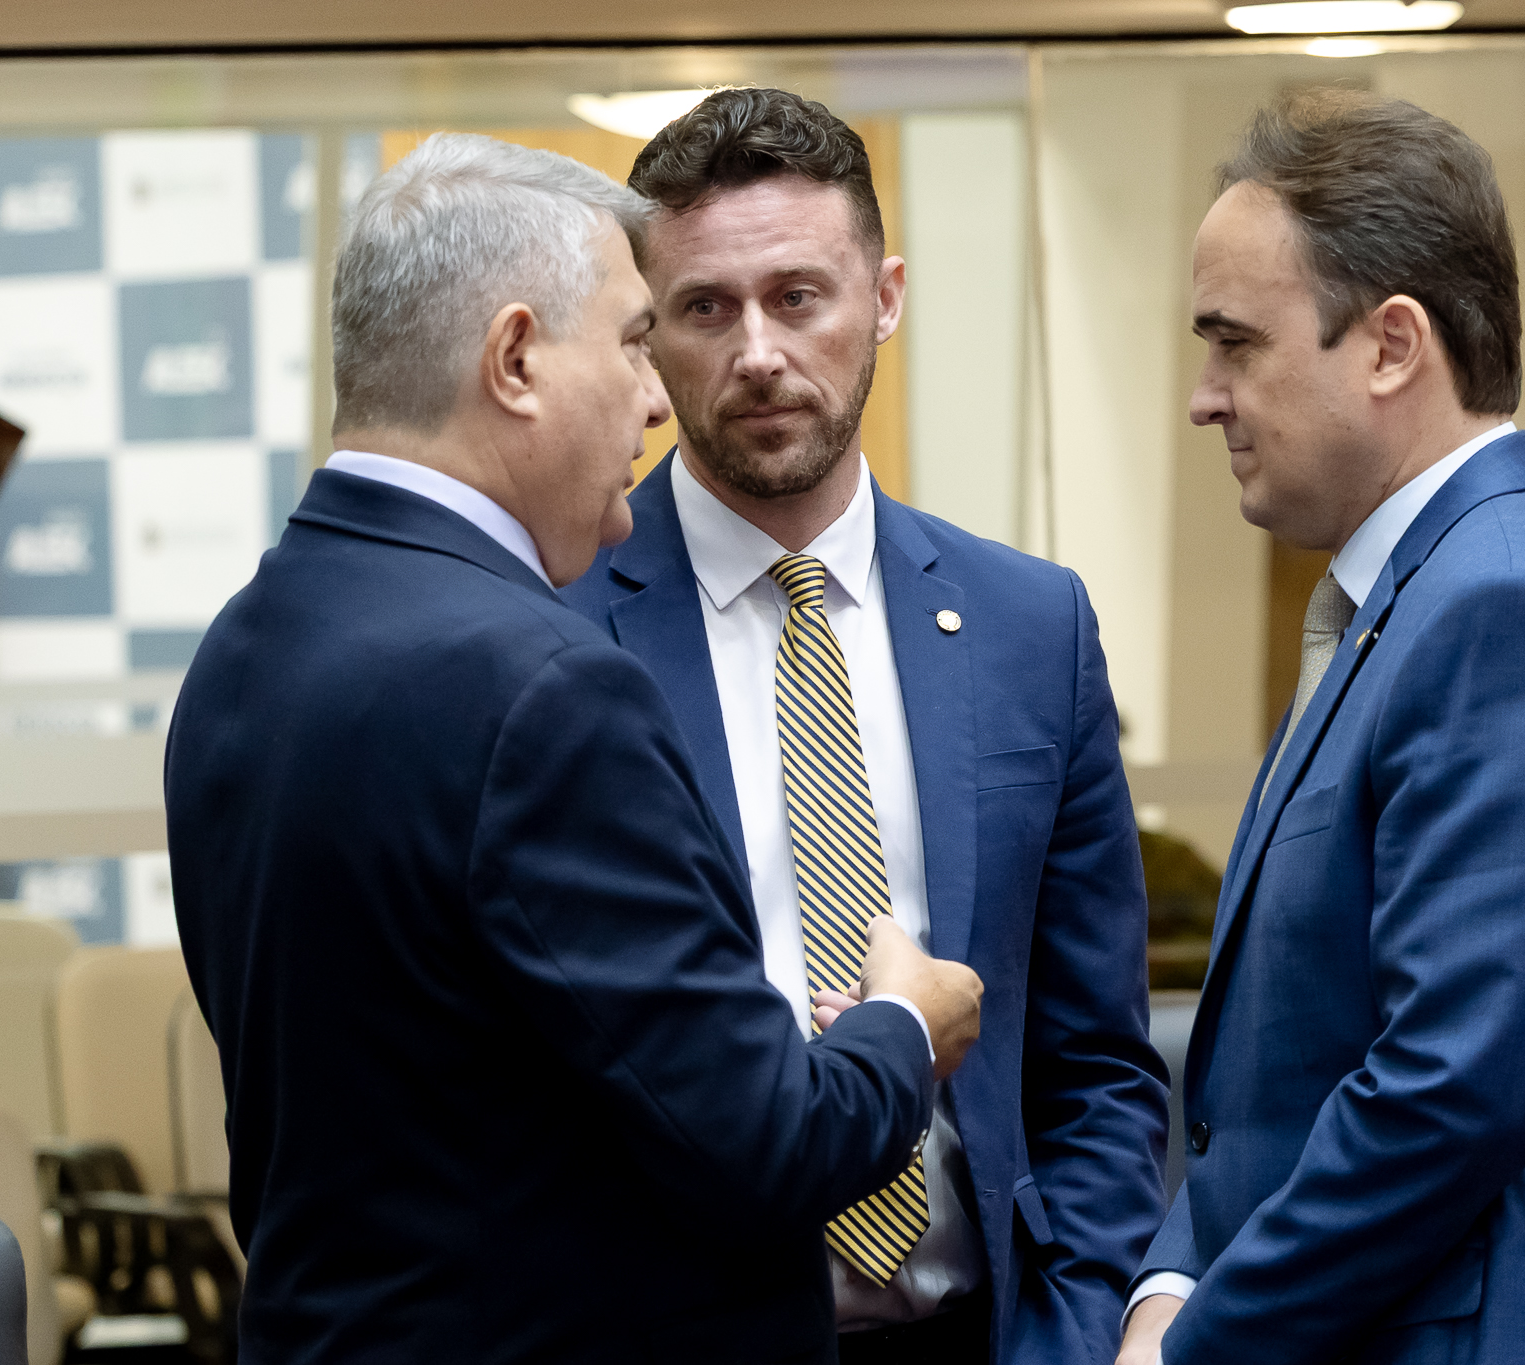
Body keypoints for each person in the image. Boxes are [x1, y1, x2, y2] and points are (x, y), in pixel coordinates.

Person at [165, 132, 985, 1365]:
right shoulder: (542, 689)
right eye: (634, 341)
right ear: (515, 361)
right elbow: (770, 1140)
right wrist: (905, 1027)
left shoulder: (248, 642)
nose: (656, 400)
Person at [562, 88, 1169, 1365]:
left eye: (798, 297)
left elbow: (1095, 1064)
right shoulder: (554, 633)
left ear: (884, 299)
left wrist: (1075, 1327)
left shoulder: (1029, 626)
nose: (757, 353)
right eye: (704, 308)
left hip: (983, 1335)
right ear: (646, 333)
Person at [1119, 91, 1525, 1365]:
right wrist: (1169, 1276)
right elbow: (1284, 1073)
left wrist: (1191, 1343)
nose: (1203, 399)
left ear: (1391, 346)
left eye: (1235, 345)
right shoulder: (1407, 600)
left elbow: (1445, 1097)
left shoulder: (1508, 610)